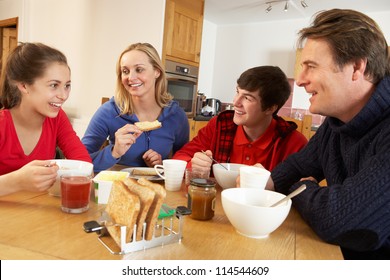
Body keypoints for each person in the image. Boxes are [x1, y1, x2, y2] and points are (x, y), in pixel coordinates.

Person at [262, 9, 390, 259]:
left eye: (311, 66)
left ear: (356, 67)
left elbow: (341, 219)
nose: (299, 80)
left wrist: (302, 188)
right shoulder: (336, 123)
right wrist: (272, 181)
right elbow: (294, 168)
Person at [172, 66, 308, 174]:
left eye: (248, 98)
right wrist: (193, 165)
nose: (236, 102)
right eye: (238, 92)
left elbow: (302, 190)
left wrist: (272, 183)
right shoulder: (219, 126)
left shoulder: (294, 143)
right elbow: (179, 158)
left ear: (270, 108)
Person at [0, 42, 92, 197]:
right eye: (54, 85)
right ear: (24, 85)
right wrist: (17, 181)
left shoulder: (57, 118)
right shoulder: (2, 125)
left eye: (67, 85)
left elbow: (83, 163)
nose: (63, 95)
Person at [82, 43, 189, 172]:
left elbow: (182, 163)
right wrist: (114, 152)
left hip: (159, 189)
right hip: (118, 187)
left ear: (157, 71)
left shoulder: (177, 116)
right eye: (125, 71)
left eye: (139, 69)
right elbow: (80, 162)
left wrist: (162, 166)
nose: (131, 78)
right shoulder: (108, 112)